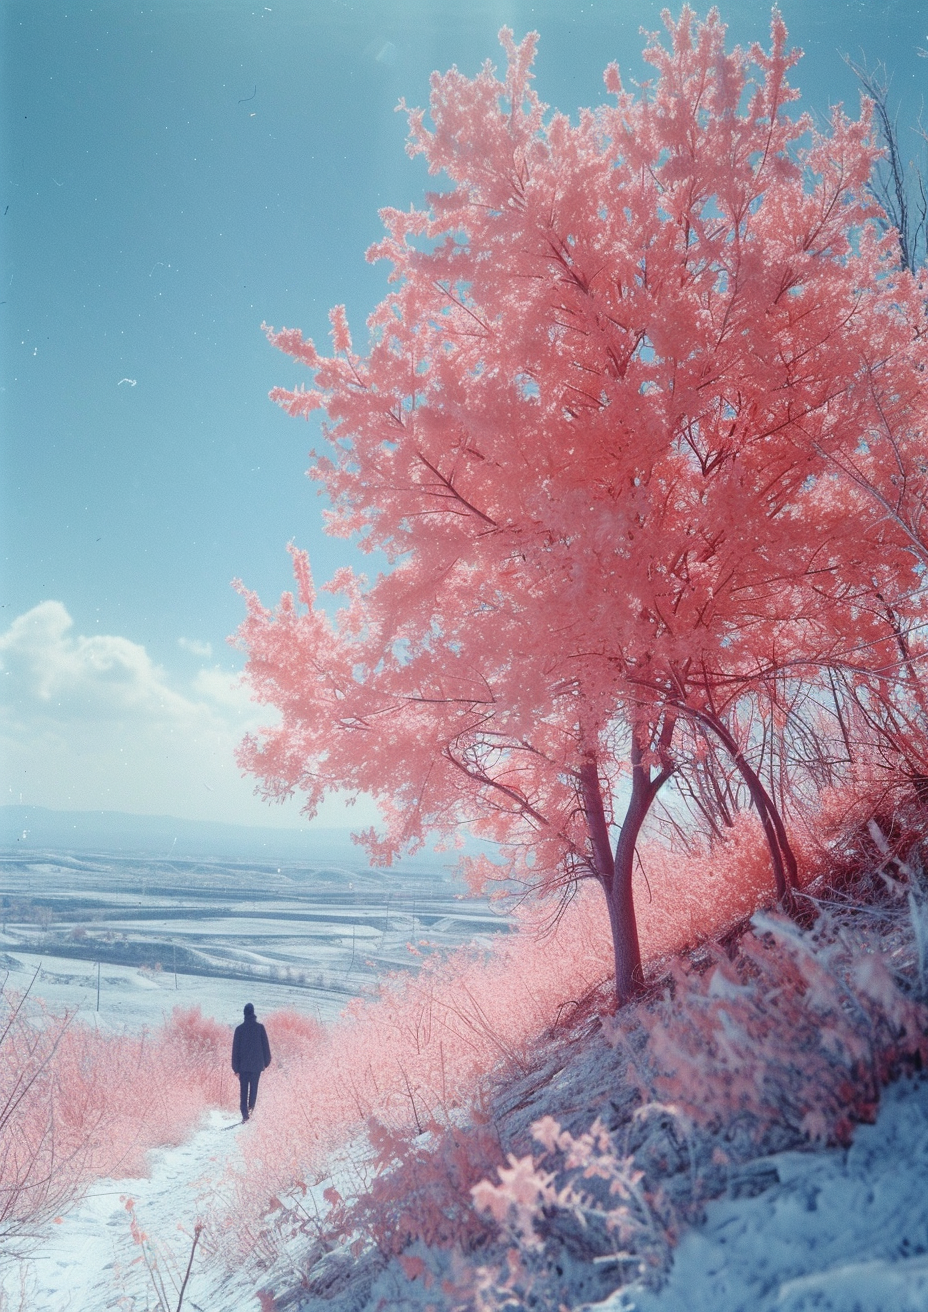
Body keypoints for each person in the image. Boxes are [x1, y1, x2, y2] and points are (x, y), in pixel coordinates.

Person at [231, 1002, 271, 1122]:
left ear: (244, 1014)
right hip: (256, 1067)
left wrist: (235, 1069)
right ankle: (250, 1111)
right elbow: (266, 1047)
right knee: (253, 1090)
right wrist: (266, 1062)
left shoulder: (239, 1029)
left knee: (243, 1091)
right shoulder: (260, 1028)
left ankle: (245, 1115)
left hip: (243, 1067)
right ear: (253, 1013)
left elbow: (235, 1051)